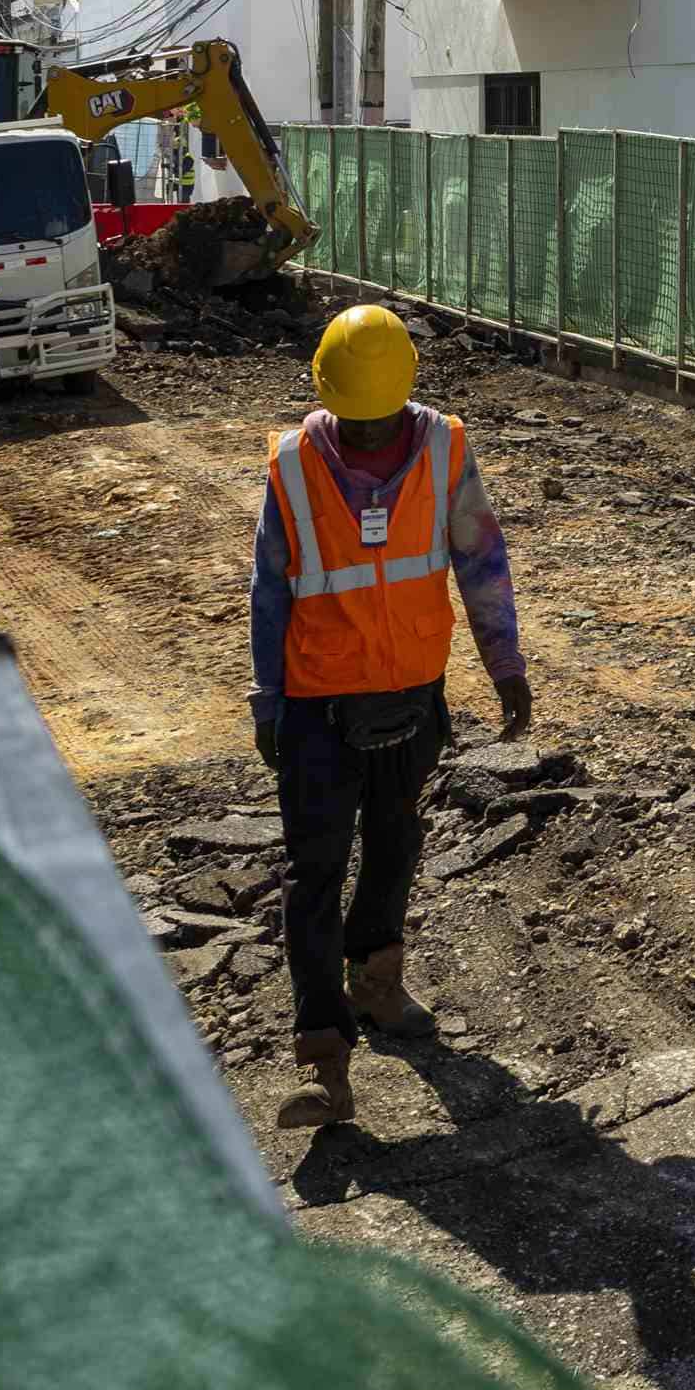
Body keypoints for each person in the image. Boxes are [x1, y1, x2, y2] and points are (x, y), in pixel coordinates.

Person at [251, 304, 534, 1129]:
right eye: (355, 423)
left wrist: (504, 662)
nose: (369, 439)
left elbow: (482, 556)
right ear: (330, 400)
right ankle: (324, 1055)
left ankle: (376, 978)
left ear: (406, 398)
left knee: (398, 840)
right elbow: (269, 590)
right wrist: (266, 697)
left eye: (381, 424)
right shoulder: (295, 463)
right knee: (314, 871)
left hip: (413, 693)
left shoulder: (445, 447)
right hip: (315, 703)